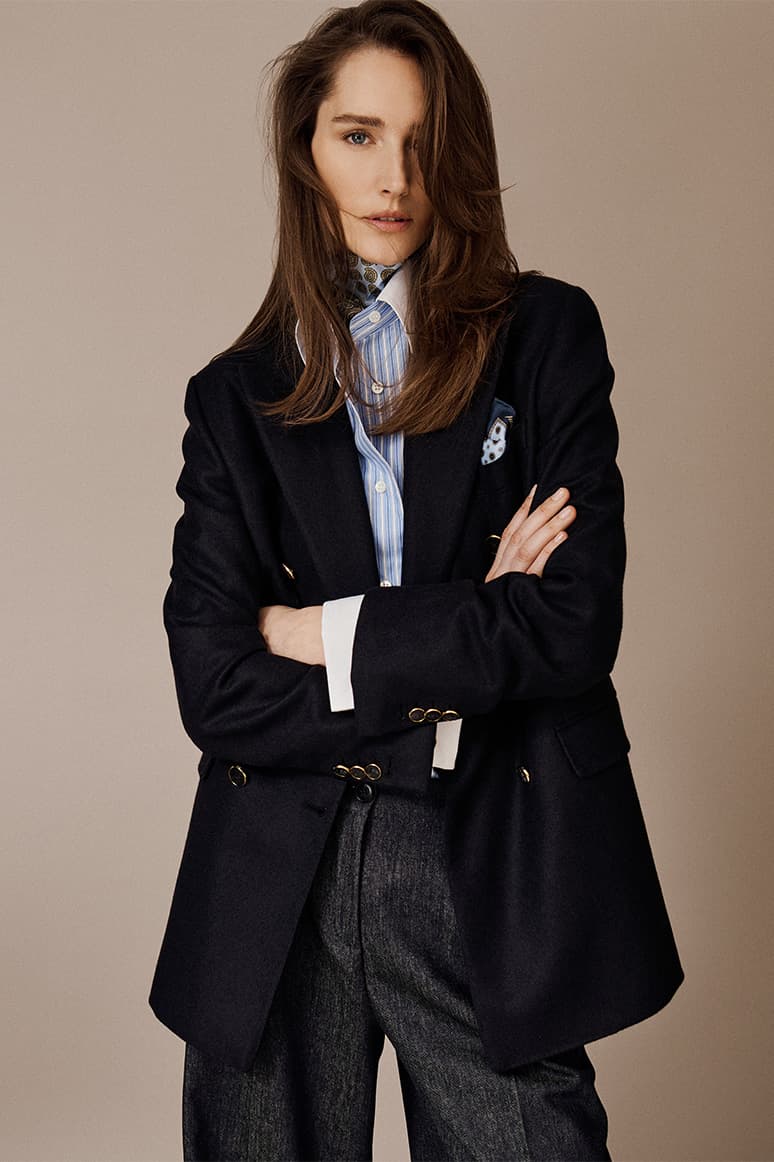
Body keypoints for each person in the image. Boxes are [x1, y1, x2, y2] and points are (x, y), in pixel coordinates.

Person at [148, 1, 685, 1158]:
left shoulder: (545, 338)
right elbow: (216, 684)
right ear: (307, 149)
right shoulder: (232, 399)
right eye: (358, 135)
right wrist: (465, 623)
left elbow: (570, 624)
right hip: (274, 864)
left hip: (487, 840)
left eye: (423, 139)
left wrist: (319, 633)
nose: (394, 175)